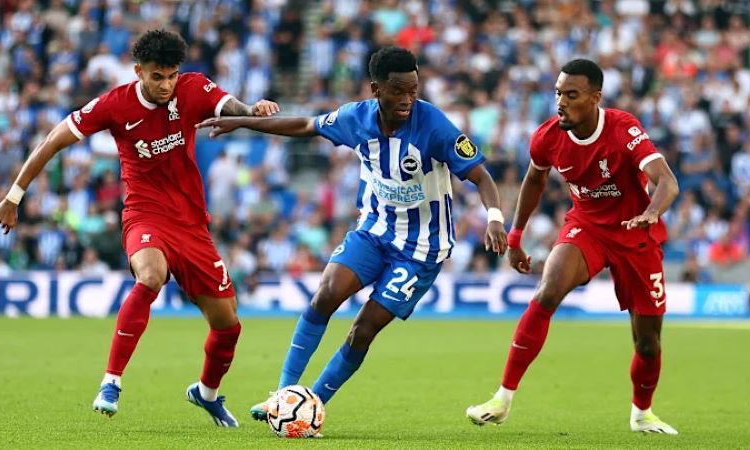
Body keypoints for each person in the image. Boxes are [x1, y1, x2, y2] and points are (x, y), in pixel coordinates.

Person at [198, 46, 508, 427]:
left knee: (363, 329)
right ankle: (283, 395)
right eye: (398, 90)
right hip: (374, 230)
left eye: (414, 89)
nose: (408, 98)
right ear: (376, 89)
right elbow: (305, 126)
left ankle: (313, 404)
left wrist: (494, 217)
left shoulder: (434, 125)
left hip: (421, 250)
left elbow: (481, 175)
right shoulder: (354, 118)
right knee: (325, 295)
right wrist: (245, 122)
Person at [0, 29, 280, 427]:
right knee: (150, 276)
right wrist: (14, 195)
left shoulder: (193, 87)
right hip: (145, 214)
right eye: (157, 76)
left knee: (228, 325)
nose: (166, 85)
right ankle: (111, 382)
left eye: (172, 76)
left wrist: (252, 109)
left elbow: (227, 102)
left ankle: (206, 393)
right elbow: (53, 141)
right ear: (138, 71)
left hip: (192, 223)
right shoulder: (115, 104)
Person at [465, 59, 680, 434]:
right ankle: (502, 399)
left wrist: (651, 212)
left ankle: (642, 413)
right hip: (588, 228)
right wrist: (515, 237)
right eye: (558, 93)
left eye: (571, 95)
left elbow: (667, 181)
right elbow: (534, 180)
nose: (560, 102)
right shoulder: (547, 137)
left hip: (636, 234)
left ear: (595, 98)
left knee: (648, 343)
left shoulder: (624, 128)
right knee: (547, 291)